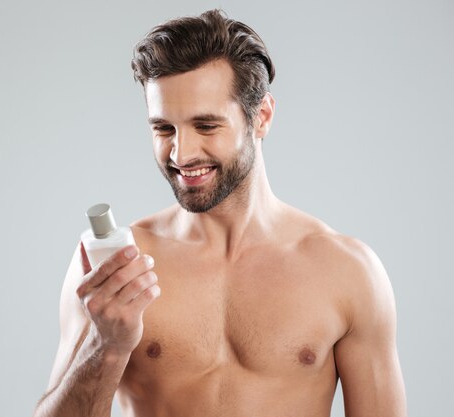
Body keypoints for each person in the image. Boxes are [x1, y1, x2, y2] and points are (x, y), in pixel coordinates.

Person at [33, 9, 407, 417]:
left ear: (261, 116)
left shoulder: (347, 271)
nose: (181, 153)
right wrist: (104, 346)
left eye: (206, 126)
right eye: (163, 129)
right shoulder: (115, 269)